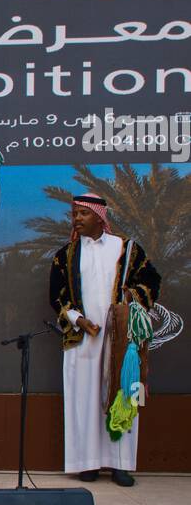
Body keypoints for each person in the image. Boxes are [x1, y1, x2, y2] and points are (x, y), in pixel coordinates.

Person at [50, 192, 161, 486]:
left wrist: (128, 306)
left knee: (122, 393)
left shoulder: (127, 249)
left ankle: (120, 464)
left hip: (121, 340)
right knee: (83, 399)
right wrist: (78, 320)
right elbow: (57, 297)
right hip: (83, 338)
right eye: (74, 214)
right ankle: (87, 463)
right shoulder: (66, 255)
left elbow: (151, 282)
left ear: (99, 216)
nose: (76, 219)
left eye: (82, 214)